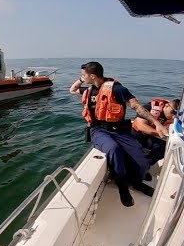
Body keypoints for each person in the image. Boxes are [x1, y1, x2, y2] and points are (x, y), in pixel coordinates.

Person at [69, 62, 169, 207]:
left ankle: (136, 183)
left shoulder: (117, 89)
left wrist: (158, 123)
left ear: (92, 76)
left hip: (120, 130)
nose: (82, 78)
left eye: (84, 75)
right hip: (98, 130)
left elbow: (137, 107)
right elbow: (72, 90)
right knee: (114, 149)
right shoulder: (88, 90)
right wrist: (81, 79)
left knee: (141, 161)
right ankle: (122, 185)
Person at [131, 98, 180, 168]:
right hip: (135, 135)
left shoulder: (171, 116)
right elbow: (140, 126)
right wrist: (161, 133)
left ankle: (144, 166)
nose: (174, 116)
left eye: (177, 114)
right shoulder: (149, 108)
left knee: (164, 147)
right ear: (166, 106)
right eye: (173, 112)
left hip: (148, 137)